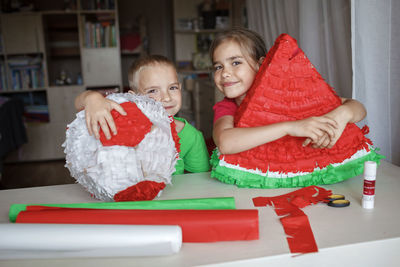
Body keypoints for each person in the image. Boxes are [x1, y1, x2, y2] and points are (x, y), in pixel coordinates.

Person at [210, 27, 367, 155]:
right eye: (218, 66)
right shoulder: (227, 107)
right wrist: (290, 127)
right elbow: (225, 143)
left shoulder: (288, 94)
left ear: (261, 65)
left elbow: (359, 108)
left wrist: (341, 115)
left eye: (236, 62)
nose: (225, 73)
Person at [75, 55, 210, 174]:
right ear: (135, 97)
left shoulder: (192, 136)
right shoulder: (124, 120)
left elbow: (199, 183)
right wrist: (92, 99)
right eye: (153, 91)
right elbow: (78, 104)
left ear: (180, 88)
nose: (167, 97)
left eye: (172, 88)